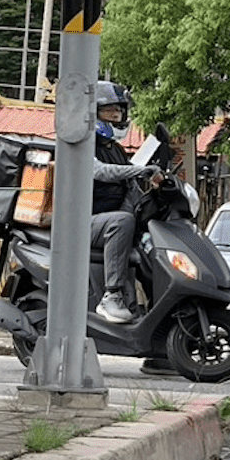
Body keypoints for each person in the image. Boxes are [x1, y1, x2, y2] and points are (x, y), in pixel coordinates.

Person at [90, 82, 159, 325]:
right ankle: (112, 295)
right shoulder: (82, 143)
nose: (116, 116)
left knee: (144, 232)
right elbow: (101, 172)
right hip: (80, 223)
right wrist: (138, 171)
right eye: (109, 111)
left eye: (119, 111)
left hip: (103, 223)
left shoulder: (116, 149)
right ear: (93, 113)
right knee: (122, 221)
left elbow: (132, 183)